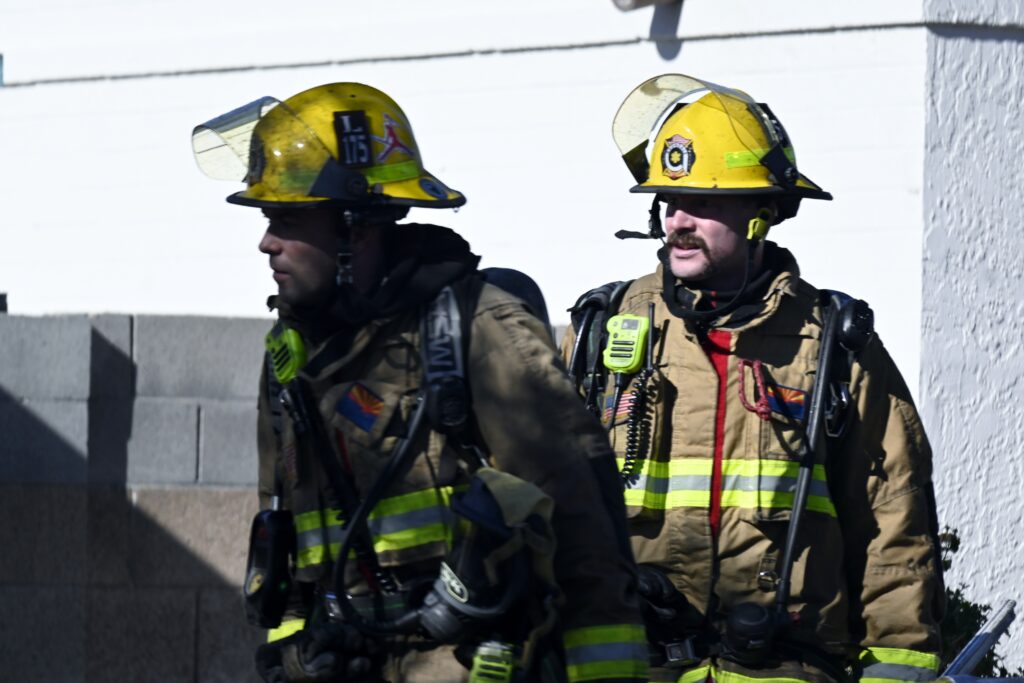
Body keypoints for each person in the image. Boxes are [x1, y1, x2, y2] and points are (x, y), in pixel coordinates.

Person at [192, 82, 648, 683]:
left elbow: (583, 531)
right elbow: (289, 550)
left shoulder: (475, 327)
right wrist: (299, 659)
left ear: (357, 229)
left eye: (288, 219)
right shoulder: (289, 357)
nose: (266, 242)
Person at [562, 74, 944, 683]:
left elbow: (892, 520)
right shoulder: (601, 333)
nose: (678, 221)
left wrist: (898, 666)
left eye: (705, 202)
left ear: (762, 214)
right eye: (669, 200)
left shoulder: (832, 346)